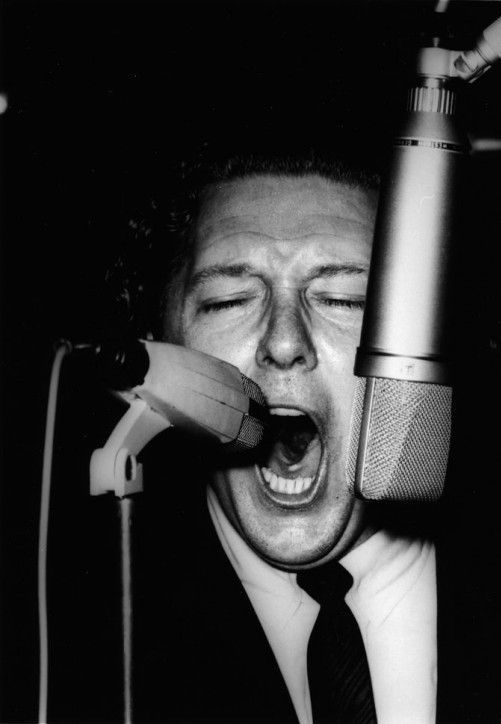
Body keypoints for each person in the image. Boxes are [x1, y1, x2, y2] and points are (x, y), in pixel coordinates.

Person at [106, 149, 438, 724]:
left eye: (345, 299)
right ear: (159, 339)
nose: (284, 343)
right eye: (228, 301)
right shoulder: (91, 635)